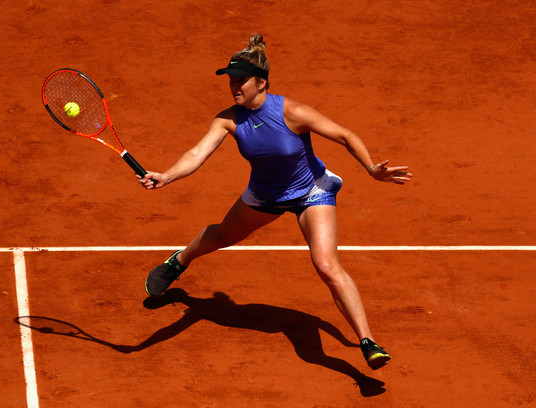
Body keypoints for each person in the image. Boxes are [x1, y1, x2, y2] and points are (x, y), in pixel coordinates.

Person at [138, 34, 412, 370]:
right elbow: (196, 154)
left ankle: (368, 342)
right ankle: (180, 261)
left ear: (262, 82)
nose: (234, 86)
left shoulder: (293, 112)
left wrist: (370, 167)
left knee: (326, 266)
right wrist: (167, 176)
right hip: (265, 194)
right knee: (222, 236)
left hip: (312, 191)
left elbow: (344, 135)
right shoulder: (228, 119)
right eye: (231, 81)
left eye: (241, 80)